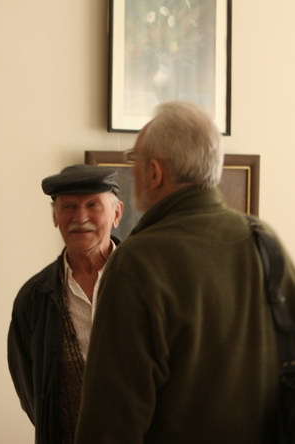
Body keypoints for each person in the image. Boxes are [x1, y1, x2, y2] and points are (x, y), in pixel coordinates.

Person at [75, 101, 295, 444]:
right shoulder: (265, 241)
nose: (132, 172)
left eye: (134, 160)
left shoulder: (138, 262)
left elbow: (109, 425)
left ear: (155, 172)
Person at [8, 164, 124, 444]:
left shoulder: (148, 284)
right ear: (55, 217)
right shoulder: (34, 297)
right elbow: (31, 393)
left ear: (117, 213)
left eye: (93, 205)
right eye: (69, 207)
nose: (80, 217)